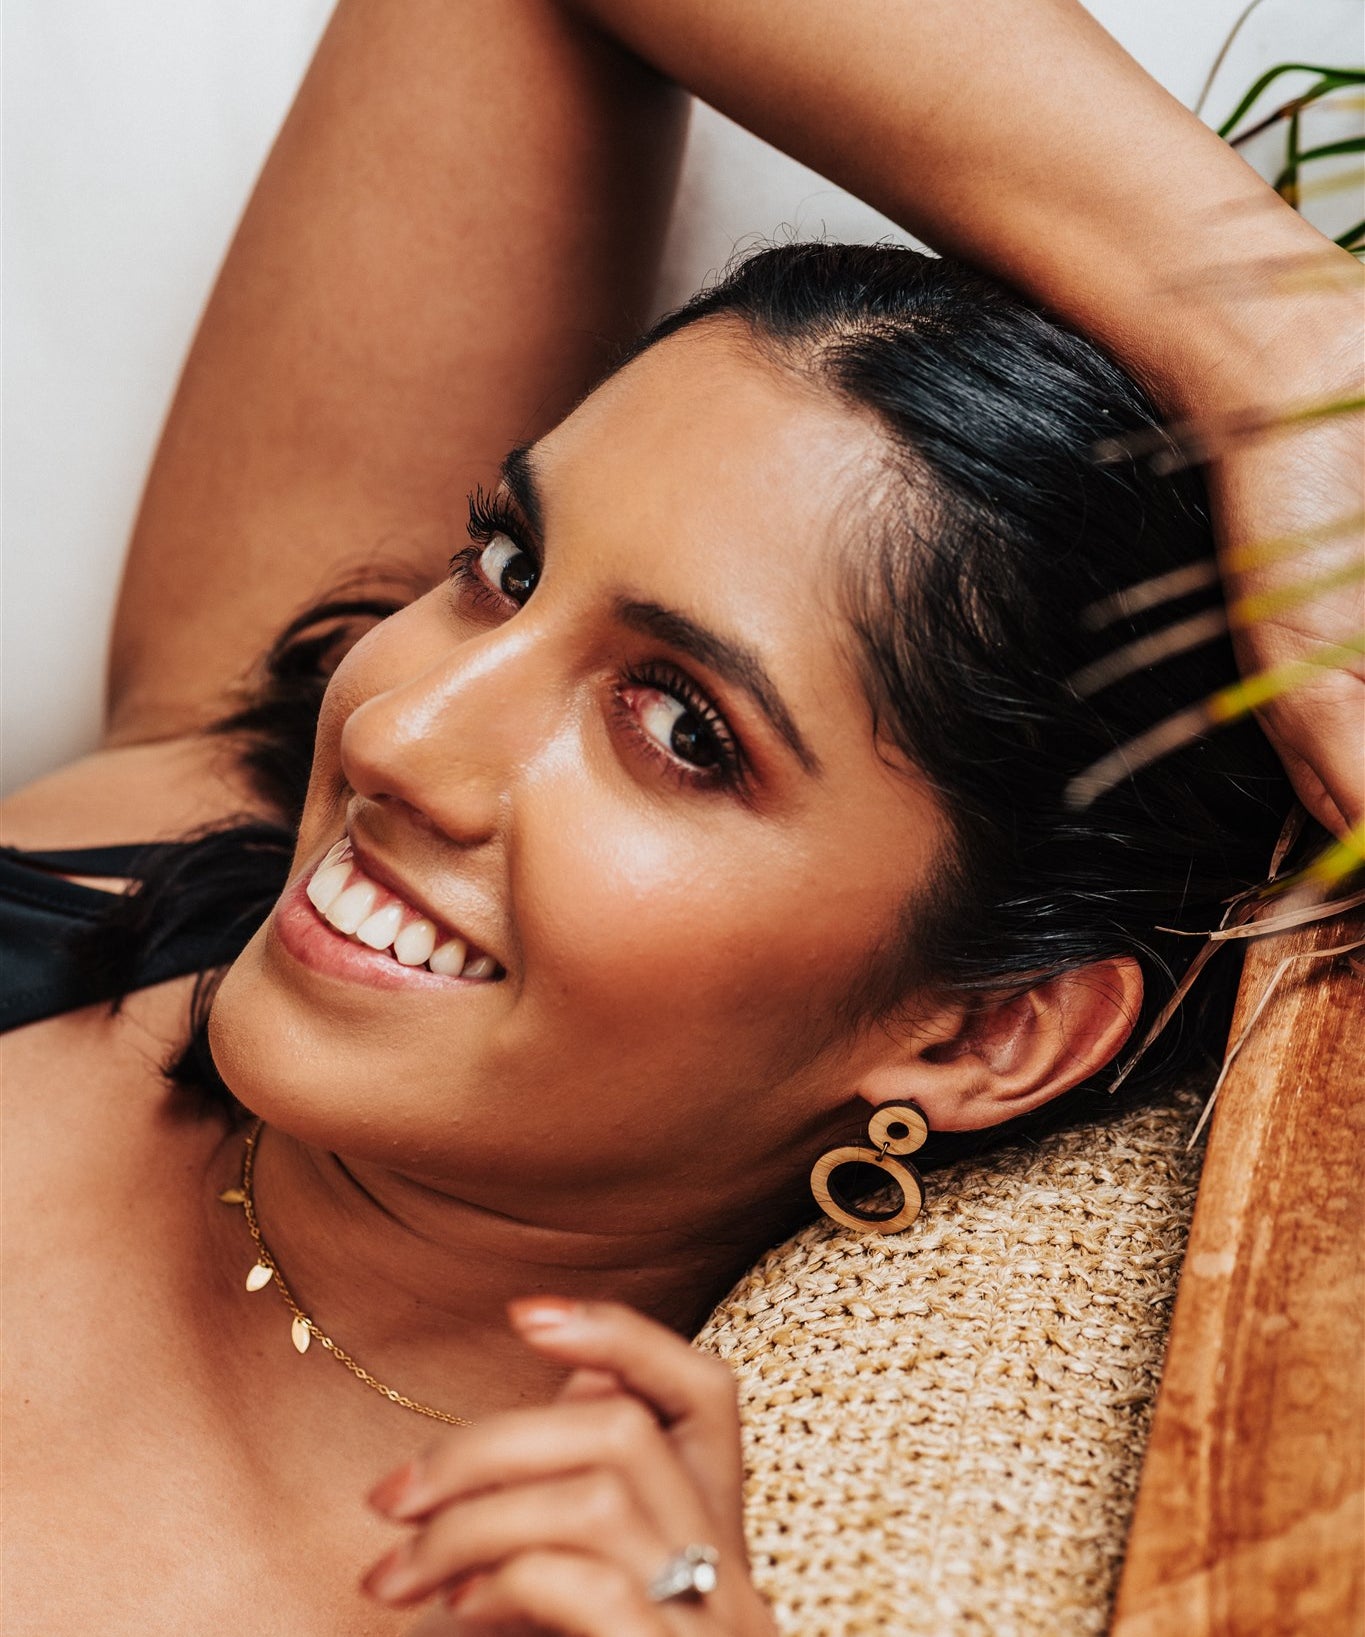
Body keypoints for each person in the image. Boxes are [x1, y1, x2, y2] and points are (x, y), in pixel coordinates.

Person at [2, 3, 1359, 1633]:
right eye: (504, 566)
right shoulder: (198, 788)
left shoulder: (536, 1602)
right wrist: (1291, 353)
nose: (396, 730)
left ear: (987, 1030)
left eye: (681, 729)